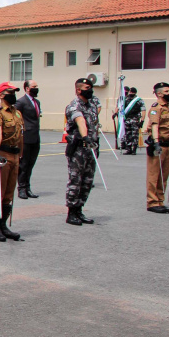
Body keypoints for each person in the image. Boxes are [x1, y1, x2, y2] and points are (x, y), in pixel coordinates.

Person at [0, 82, 24, 242]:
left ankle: (3, 225)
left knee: (9, 192)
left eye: (14, 92)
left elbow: (20, 135)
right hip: (2, 154)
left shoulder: (17, 113)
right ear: (1, 94)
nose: (13, 94)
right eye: (10, 91)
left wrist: (21, 154)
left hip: (15, 155)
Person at [64, 78, 99, 226]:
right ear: (78, 90)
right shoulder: (74, 106)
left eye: (91, 87)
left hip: (91, 148)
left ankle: (79, 209)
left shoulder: (92, 105)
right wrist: (85, 137)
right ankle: (71, 212)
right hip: (78, 149)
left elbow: (94, 125)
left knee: (87, 181)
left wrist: (94, 143)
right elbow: (80, 121)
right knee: (76, 180)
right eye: (86, 87)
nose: (90, 89)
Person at [143, 82, 169, 213]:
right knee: (154, 175)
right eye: (167, 92)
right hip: (159, 145)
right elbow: (154, 126)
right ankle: (152, 202)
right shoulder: (156, 107)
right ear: (159, 93)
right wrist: (156, 142)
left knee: (163, 175)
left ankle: (160, 200)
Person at [15, 80, 41, 199]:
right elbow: (16, 117)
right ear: (26, 88)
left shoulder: (37, 102)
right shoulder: (21, 102)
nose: (36, 89)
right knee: (23, 164)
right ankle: (21, 188)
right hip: (25, 137)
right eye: (33, 87)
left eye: (36, 86)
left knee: (31, 164)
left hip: (35, 137)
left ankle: (27, 187)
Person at [114, 87, 145, 155]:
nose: (131, 93)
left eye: (132, 92)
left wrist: (142, 120)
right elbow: (119, 107)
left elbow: (143, 110)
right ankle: (128, 149)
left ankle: (134, 149)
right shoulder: (125, 100)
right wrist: (115, 113)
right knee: (127, 134)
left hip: (135, 120)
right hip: (126, 119)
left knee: (134, 135)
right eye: (130, 92)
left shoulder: (139, 100)